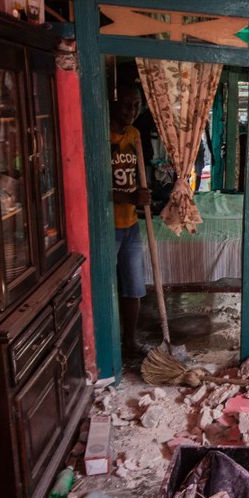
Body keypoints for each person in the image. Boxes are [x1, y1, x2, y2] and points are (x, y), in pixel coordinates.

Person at [109, 83, 152, 359]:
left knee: (134, 286)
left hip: (131, 225)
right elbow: (95, 185)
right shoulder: (102, 135)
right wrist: (129, 197)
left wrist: (143, 195)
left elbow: (138, 176)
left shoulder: (135, 134)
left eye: (136, 106)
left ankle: (130, 341)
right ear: (114, 103)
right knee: (106, 286)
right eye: (127, 104)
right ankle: (108, 343)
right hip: (107, 226)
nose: (132, 111)